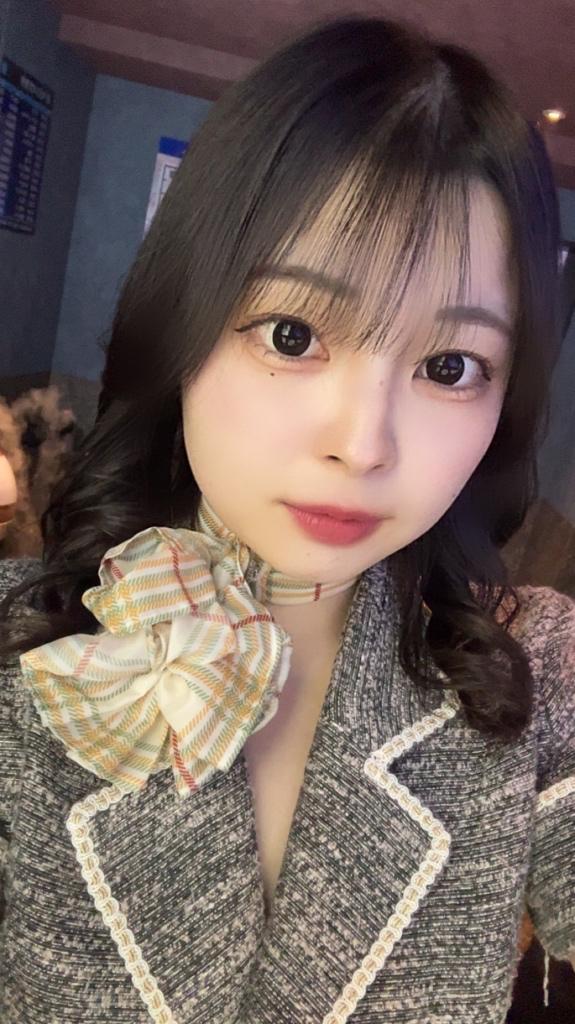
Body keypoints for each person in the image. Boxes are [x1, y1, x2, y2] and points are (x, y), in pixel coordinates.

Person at [0, 14, 573, 1024]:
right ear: (182, 323)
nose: (363, 443)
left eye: (448, 366)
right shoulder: (18, 641)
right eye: (293, 334)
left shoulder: (537, 666)